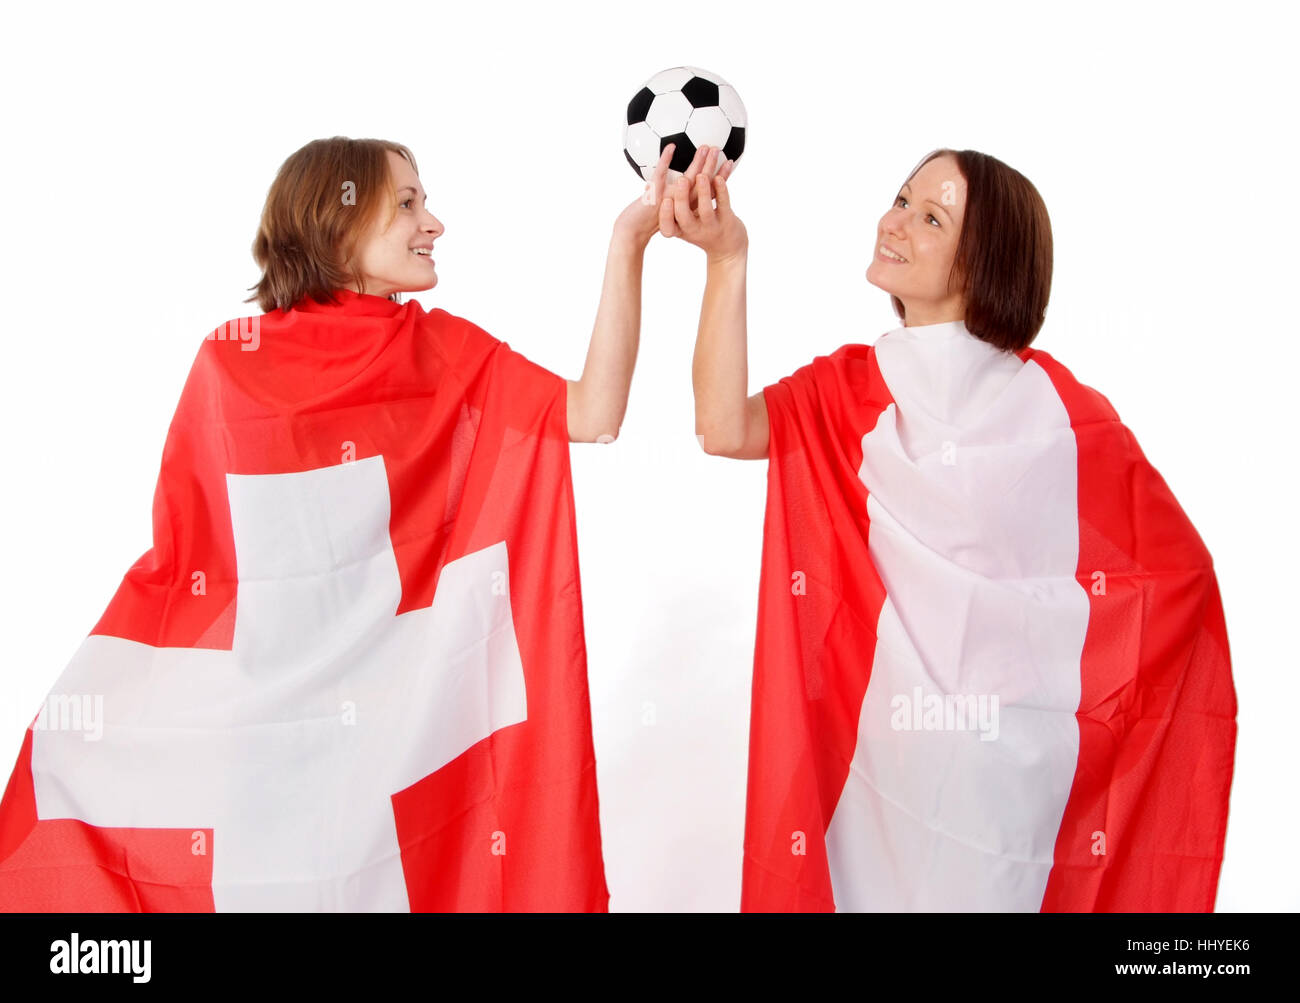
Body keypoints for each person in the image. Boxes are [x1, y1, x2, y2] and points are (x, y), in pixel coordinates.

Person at [0, 135, 728, 912]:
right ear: (336, 220)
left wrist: (628, 243)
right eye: (409, 203)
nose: (435, 222)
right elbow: (191, 566)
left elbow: (592, 413)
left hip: (391, 744)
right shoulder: (228, 363)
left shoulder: (441, 350)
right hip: (266, 748)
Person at [664, 147, 1237, 912]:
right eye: (901, 199)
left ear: (983, 263)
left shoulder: (1059, 413)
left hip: (1001, 785)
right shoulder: (851, 386)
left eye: (930, 218)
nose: (893, 223)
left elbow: (1171, 571)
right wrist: (728, 260)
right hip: (879, 768)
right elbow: (722, 425)